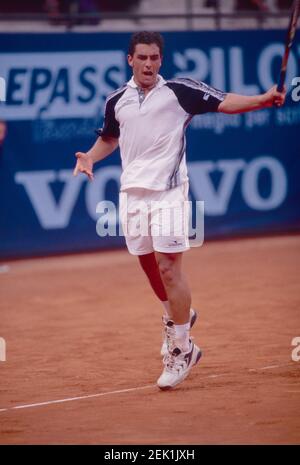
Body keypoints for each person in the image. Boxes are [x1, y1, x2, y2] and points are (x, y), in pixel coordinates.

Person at [73, 31, 286, 390]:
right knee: (149, 267)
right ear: (130, 60)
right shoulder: (116, 101)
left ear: (161, 60)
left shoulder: (178, 92)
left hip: (170, 192)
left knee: (169, 268)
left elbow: (223, 101)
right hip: (132, 195)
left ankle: (182, 347)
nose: (148, 64)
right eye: (141, 58)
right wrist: (90, 157)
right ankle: (177, 316)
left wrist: (263, 100)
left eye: (154, 58)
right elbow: (110, 137)